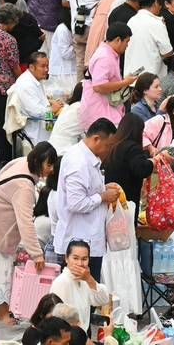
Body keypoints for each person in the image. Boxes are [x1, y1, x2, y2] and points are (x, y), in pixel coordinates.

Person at [0, 142, 58, 323]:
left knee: (2, 270)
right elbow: (26, 223)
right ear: (38, 161)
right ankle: (3, 313)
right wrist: (37, 254)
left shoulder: (22, 161)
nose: (51, 169)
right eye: (49, 164)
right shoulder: (24, 187)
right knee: (2, 272)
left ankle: (2, 311)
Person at [52, 118, 121, 280]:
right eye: (108, 145)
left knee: (89, 290)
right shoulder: (78, 161)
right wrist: (103, 196)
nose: (109, 150)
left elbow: (87, 190)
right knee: (79, 292)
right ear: (96, 139)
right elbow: (76, 203)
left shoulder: (87, 158)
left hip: (89, 240)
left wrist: (103, 189)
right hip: (79, 244)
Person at [50, 240, 111, 330]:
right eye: (75, 258)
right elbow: (57, 320)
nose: (80, 264)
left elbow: (103, 300)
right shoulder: (61, 282)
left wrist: (89, 279)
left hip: (83, 333)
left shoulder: (85, 280)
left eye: (84, 259)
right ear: (66, 258)